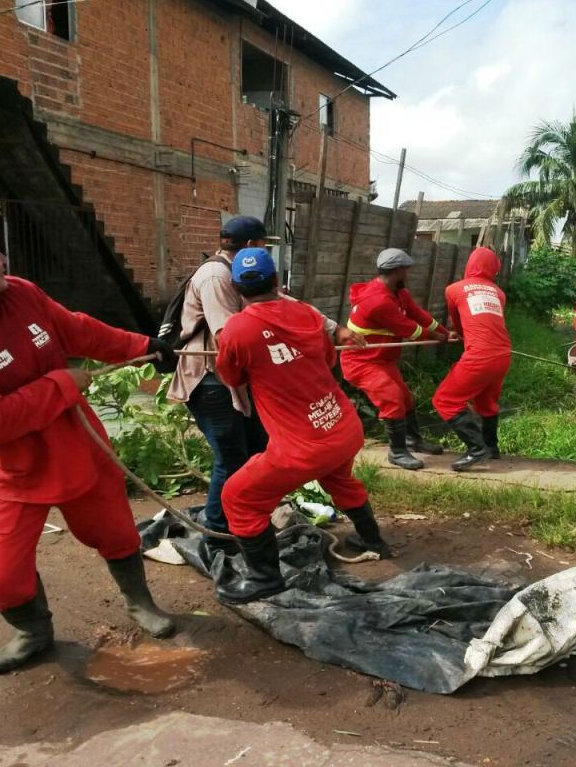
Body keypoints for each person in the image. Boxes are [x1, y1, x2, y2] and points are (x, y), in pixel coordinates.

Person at [0, 217, 177, 674]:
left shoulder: (20, 293)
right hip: (17, 469)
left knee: (118, 535)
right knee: (0, 578)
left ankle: (139, 601)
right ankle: (33, 631)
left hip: (81, 447)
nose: (3, 257)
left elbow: (78, 330)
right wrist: (62, 383)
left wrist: (143, 345)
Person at [213, 248, 391, 604]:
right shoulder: (306, 313)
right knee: (339, 479)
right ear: (277, 281)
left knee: (238, 497)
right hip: (342, 427)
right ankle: (374, 542)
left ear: (236, 289)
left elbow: (230, 376)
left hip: (302, 447)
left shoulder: (236, 329)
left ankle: (265, 579)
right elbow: (327, 357)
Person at [167, 215, 360, 534]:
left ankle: (250, 520)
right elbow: (226, 336)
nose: (266, 251)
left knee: (258, 451)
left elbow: (281, 301)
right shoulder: (216, 276)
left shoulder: (245, 274)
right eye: (263, 245)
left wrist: (333, 328)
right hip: (212, 380)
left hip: (237, 377)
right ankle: (219, 532)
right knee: (230, 459)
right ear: (251, 245)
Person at [341, 248, 454, 470]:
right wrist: (441, 337)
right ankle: (397, 452)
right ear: (398, 271)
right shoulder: (378, 301)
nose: (408, 274)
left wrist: (444, 331)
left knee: (405, 398)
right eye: (406, 270)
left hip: (381, 360)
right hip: (361, 361)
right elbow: (410, 329)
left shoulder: (399, 293)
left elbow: (418, 315)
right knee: (392, 399)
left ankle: (413, 440)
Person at [432, 247, 511, 471]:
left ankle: (476, 448)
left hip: (480, 356)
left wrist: (457, 334)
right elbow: (488, 320)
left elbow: (456, 321)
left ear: (469, 264)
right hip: (503, 355)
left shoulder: (453, 289)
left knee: (444, 400)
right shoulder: (499, 293)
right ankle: (491, 448)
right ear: (494, 268)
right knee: (486, 403)